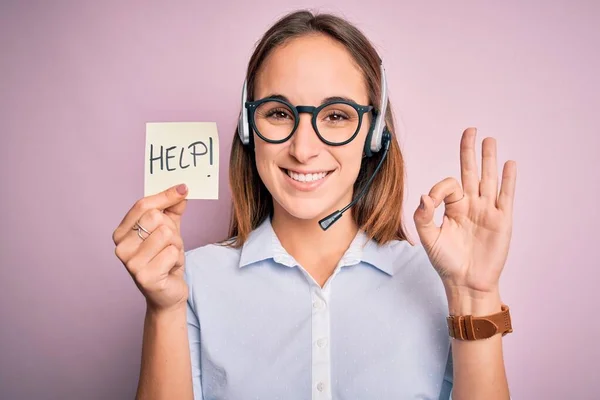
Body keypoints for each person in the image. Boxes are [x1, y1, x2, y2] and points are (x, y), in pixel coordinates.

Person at [113, 10, 516, 400]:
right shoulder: (191, 280)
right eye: (278, 113)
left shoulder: (437, 281)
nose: (303, 149)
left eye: (337, 115)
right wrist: (164, 310)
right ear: (248, 128)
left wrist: (474, 297)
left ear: (374, 134)